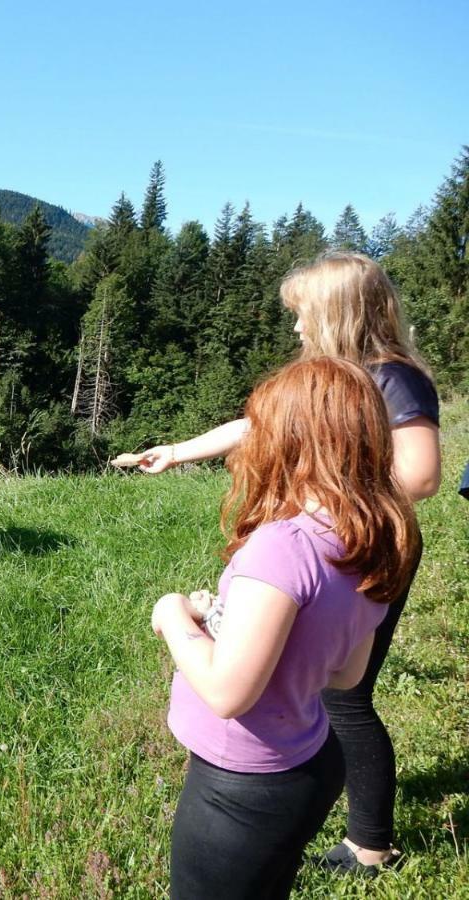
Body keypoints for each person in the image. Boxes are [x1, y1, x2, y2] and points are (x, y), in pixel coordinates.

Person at [120, 252, 440, 873]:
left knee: (347, 698)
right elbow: (258, 425)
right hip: (340, 532)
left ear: (336, 312)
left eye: (302, 315)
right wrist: (180, 452)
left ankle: (370, 842)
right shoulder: (328, 379)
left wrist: (339, 484)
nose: (294, 328)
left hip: (360, 537)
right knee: (328, 684)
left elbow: (421, 475)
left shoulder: (391, 377)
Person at [152, 357, 419, 899]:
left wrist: (173, 613)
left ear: (292, 440)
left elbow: (229, 694)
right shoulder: (373, 537)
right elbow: (345, 673)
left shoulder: (284, 546)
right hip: (311, 764)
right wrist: (226, 619)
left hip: (242, 782)